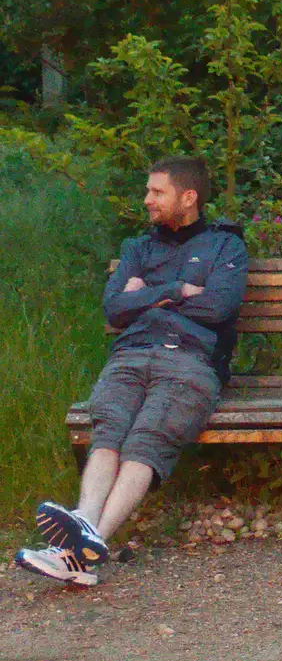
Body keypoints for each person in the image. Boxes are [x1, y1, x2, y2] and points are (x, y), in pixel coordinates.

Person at [15, 157, 247, 587]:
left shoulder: (224, 247)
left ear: (188, 197)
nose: (147, 200)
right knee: (109, 431)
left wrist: (143, 294)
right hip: (130, 355)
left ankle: (83, 544)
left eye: (157, 192)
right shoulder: (138, 249)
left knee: (147, 439)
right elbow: (114, 309)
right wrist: (175, 290)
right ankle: (84, 528)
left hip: (189, 361)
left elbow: (218, 308)